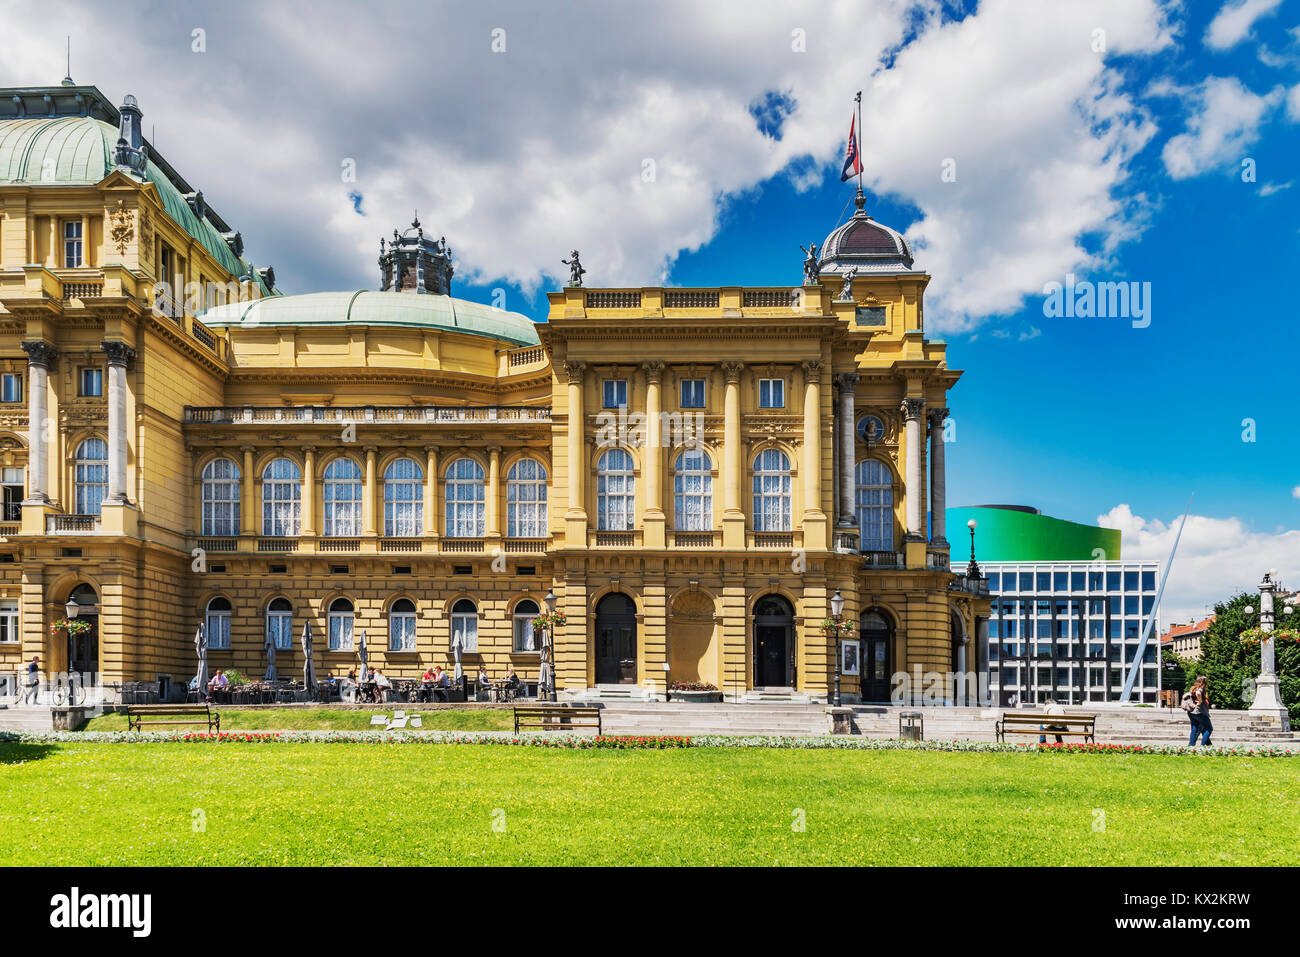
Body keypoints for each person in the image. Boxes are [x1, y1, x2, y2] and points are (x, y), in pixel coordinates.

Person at [1188, 675, 1213, 747]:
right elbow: (1198, 693)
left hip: (1191, 712)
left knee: (1195, 729)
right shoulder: (1200, 689)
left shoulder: (1193, 688)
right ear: (1204, 682)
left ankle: (1191, 745)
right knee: (1209, 729)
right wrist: (1200, 701)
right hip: (1200, 712)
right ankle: (1203, 745)